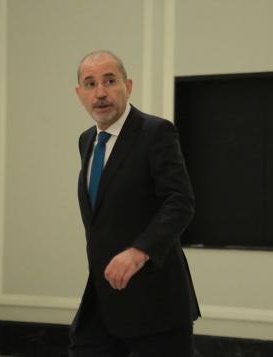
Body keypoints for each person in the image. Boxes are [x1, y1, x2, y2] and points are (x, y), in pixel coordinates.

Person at [70, 50, 200, 357]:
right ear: (80, 94)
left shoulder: (155, 132)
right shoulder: (86, 140)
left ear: (128, 86)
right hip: (103, 297)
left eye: (110, 81)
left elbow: (180, 202)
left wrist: (138, 252)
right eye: (90, 84)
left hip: (156, 302)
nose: (100, 92)